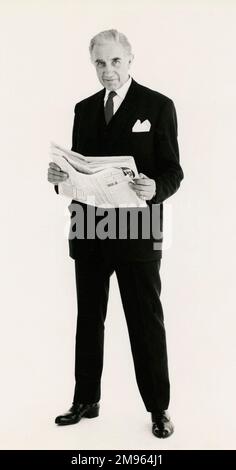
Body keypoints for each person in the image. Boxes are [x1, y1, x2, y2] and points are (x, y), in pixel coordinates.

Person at [47, 29, 184, 438]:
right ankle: (86, 399)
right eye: (100, 63)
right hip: (88, 227)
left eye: (115, 61)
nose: (108, 70)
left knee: (145, 322)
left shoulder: (158, 106)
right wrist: (59, 178)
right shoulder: (84, 108)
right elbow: (79, 170)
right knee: (89, 319)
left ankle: (158, 408)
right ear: (93, 64)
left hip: (137, 228)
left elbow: (173, 170)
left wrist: (154, 187)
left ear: (130, 59)